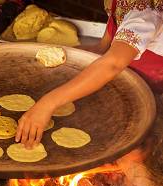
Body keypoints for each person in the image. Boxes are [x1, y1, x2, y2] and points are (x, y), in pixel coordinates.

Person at [15, 0, 163, 149]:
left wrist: (47, 104)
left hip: (151, 94)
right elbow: (107, 42)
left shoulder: (145, 11)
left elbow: (113, 64)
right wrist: (85, 52)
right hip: (120, 84)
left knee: (133, 149)